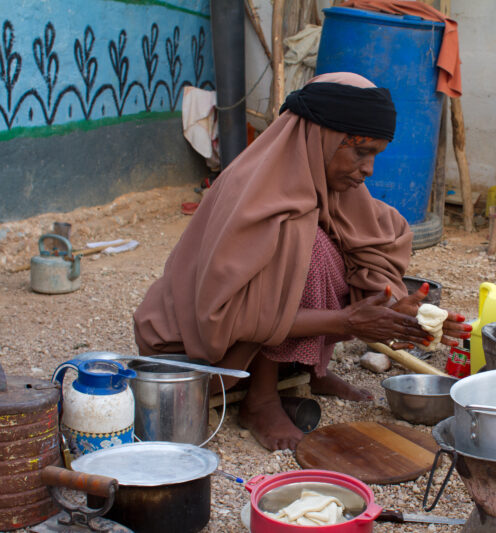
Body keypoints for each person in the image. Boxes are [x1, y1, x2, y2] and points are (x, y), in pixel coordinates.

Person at [133, 72, 471, 451]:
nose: (370, 168)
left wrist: (397, 310)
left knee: (365, 232)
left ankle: (311, 369)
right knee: (306, 250)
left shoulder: (327, 182)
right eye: (360, 151)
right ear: (319, 138)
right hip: (196, 351)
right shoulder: (253, 193)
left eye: (376, 153)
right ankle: (260, 399)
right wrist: (348, 322)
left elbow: (378, 243)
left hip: (255, 330)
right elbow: (224, 313)